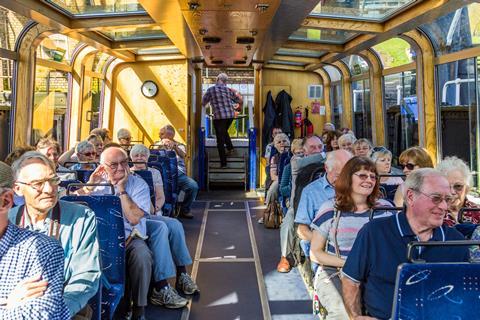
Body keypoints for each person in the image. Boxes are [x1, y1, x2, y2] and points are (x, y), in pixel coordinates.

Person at [342, 168, 469, 320]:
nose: (444, 207)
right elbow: (351, 280)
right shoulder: (375, 232)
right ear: (410, 196)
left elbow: (464, 296)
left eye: (447, 200)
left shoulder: (456, 242)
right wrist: (355, 316)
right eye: (436, 198)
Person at [9, 152, 101, 318]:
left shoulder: (81, 217)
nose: (49, 189)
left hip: (64, 305)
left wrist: (54, 310)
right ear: (18, 189)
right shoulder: (7, 220)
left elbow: (86, 276)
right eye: (38, 184)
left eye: (53, 180)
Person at [310, 157, 392, 319]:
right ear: (348, 178)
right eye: (362, 176)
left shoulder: (387, 210)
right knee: (344, 314)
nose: (369, 180)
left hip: (375, 274)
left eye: (373, 177)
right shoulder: (330, 209)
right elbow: (315, 252)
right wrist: (352, 265)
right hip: (337, 270)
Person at [0, 161, 70, 319]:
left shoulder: (43, 251)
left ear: (5, 201)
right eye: (38, 183)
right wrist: (6, 306)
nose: (48, 189)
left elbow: (40, 315)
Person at [294, 150, 353, 258]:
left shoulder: (357, 187)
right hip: (325, 249)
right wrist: (324, 243)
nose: (343, 180)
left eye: (348, 175)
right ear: (326, 168)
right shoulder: (311, 191)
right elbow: (302, 230)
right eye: (338, 175)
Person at [201, 73, 243, 167]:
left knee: (220, 139)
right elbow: (239, 99)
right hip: (230, 115)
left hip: (219, 117)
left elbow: (203, 102)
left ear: (217, 79)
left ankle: (223, 163)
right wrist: (237, 106)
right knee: (223, 133)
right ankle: (230, 148)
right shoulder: (228, 90)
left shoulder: (211, 89)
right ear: (225, 81)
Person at [158, 125, 198, 219]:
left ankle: (185, 209)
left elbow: (183, 155)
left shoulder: (179, 145)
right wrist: (160, 145)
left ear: (170, 135)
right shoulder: (157, 144)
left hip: (178, 174)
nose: (160, 135)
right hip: (162, 174)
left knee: (193, 186)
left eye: (162, 134)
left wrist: (175, 147)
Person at [437, 156, 480, 226]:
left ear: (467, 188)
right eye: (446, 186)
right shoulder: (433, 213)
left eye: (458, 186)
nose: (452, 192)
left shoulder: (477, 211)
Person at [130, 144, 165, 212]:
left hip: (152, 209)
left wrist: (156, 208)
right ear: (131, 158)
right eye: (136, 156)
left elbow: (160, 196)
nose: (139, 158)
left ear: (147, 157)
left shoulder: (155, 172)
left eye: (143, 155)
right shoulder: (127, 172)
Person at [265, 133, 290, 206]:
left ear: (289, 142)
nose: (282, 143)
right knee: (272, 190)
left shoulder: (293, 154)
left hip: (292, 179)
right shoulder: (274, 158)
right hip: (279, 179)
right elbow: (273, 176)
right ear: (275, 146)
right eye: (279, 142)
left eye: (284, 141)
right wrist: (284, 180)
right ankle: (268, 208)